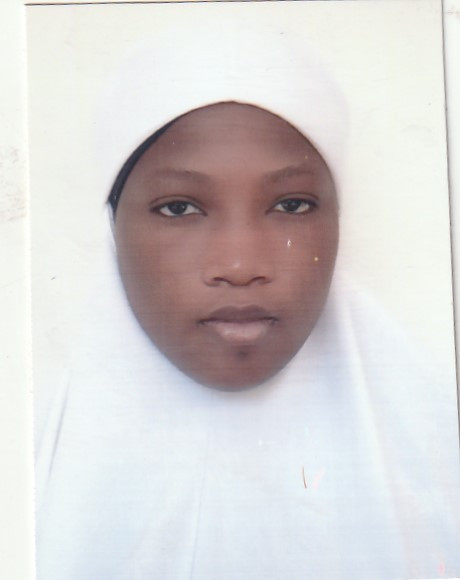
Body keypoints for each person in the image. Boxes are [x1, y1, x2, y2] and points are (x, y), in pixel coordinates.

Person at [35, 16, 460, 580]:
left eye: (291, 205)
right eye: (180, 208)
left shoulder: (439, 466)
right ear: (113, 225)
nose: (240, 267)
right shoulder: (25, 475)